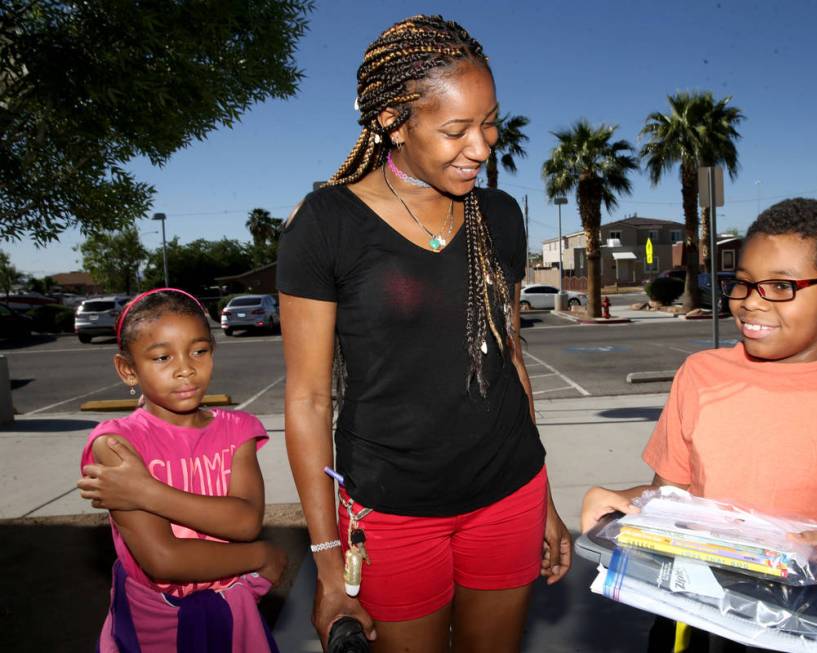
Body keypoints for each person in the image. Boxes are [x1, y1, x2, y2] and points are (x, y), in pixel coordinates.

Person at [276, 14, 571, 653]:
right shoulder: (326, 224)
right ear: (392, 121)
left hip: (509, 494)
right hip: (390, 514)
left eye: (489, 121)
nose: (483, 147)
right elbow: (305, 400)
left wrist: (542, 498)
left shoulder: (499, 215)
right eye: (456, 130)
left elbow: (508, 356)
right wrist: (328, 562)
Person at [581, 199, 817, 651]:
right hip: (694, 609)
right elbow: (671, 496)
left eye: (781, 287)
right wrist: (621, 502)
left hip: (807, 617)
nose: (750, 303)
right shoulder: (700, 373)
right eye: (742, 284)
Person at [77, 288, 286, 652]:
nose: (185, 368)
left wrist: (147, 491)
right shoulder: (116, 444)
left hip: (234, 609)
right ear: (128, 370)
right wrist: (261, 556)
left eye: (199, 351)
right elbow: (164, 559)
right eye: (161, 357)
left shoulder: (239, 429)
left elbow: (245, 520)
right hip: (152, 623)